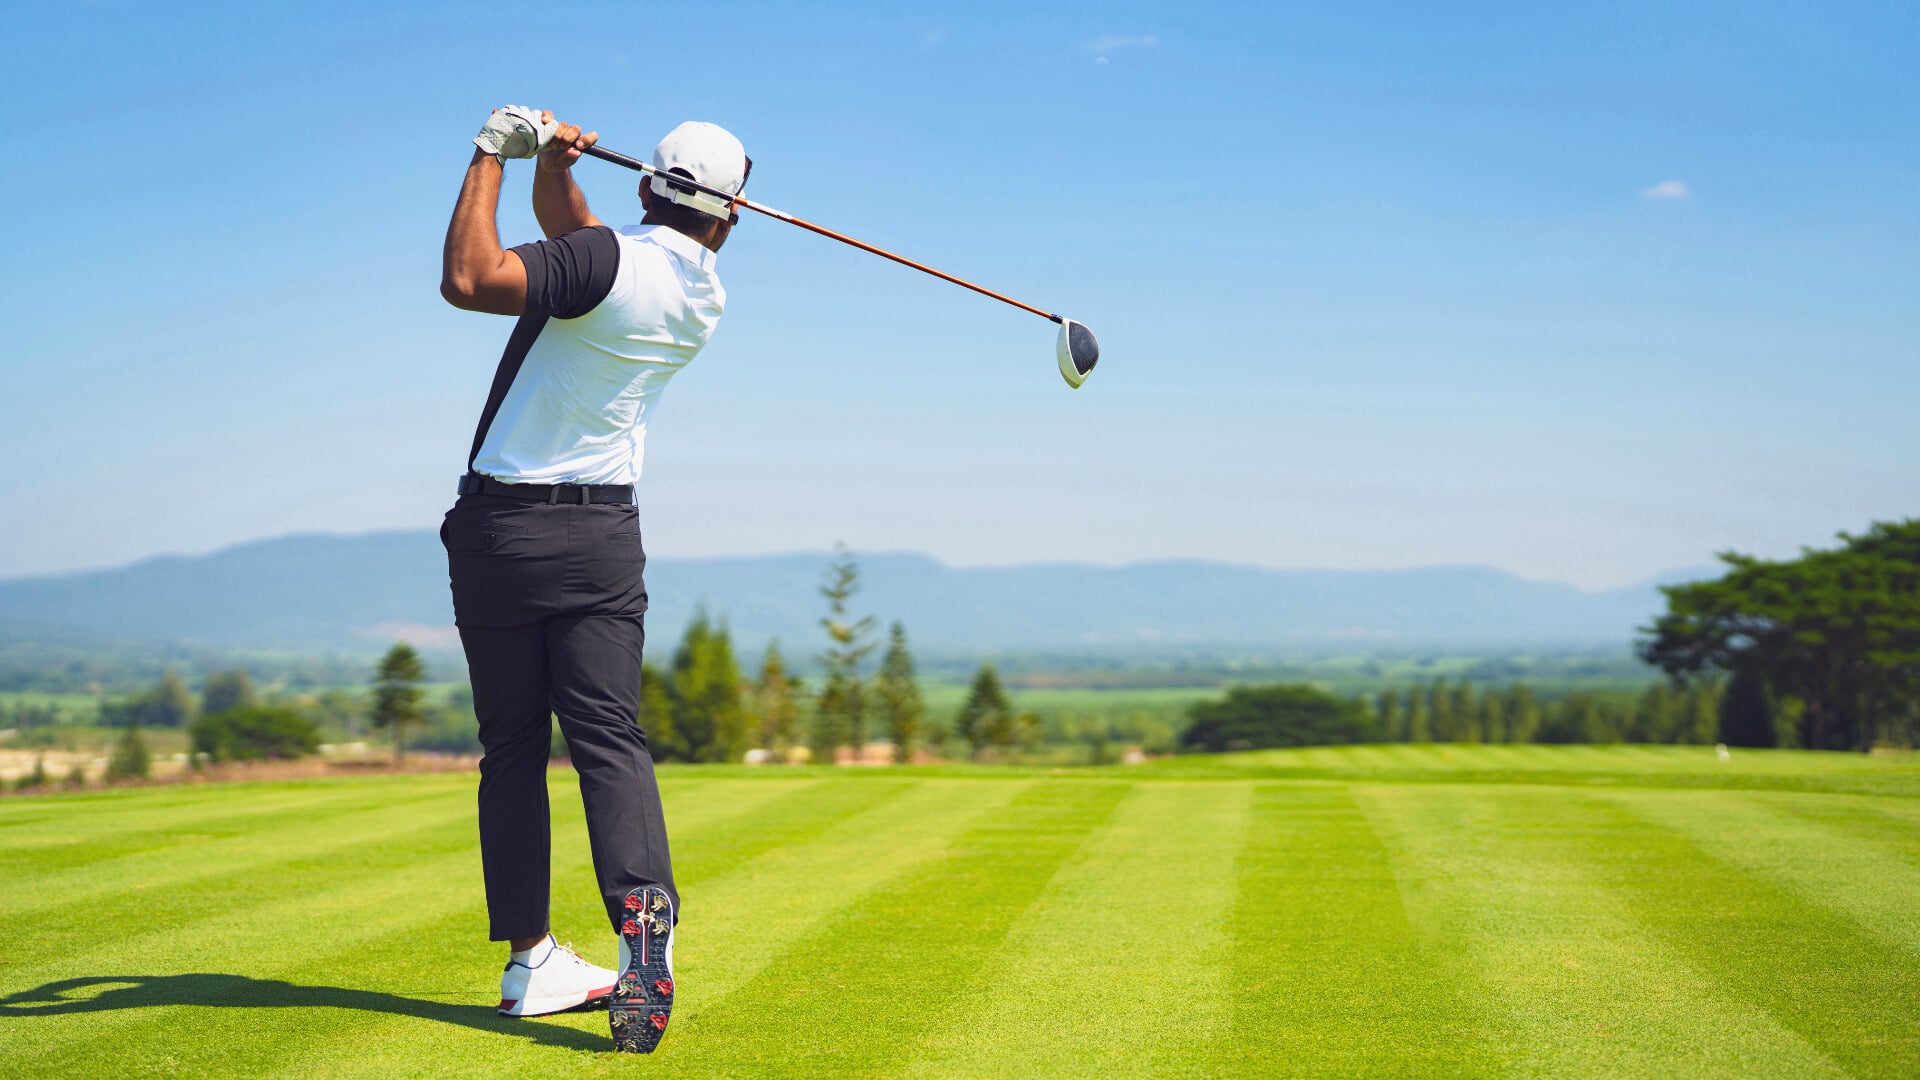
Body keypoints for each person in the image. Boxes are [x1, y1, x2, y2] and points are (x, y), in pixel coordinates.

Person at [437, 105, 748, 1053]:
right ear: (728, 216)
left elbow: (470, 279)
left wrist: (493, 152)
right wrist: (556, 168)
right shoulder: (703, 294)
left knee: (514, 752)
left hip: (502, 531)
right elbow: (583, 248)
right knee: (610, 738)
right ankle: (640, 919)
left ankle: (531, 956)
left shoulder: (605, 261)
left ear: (648, 185)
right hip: (605, 534)